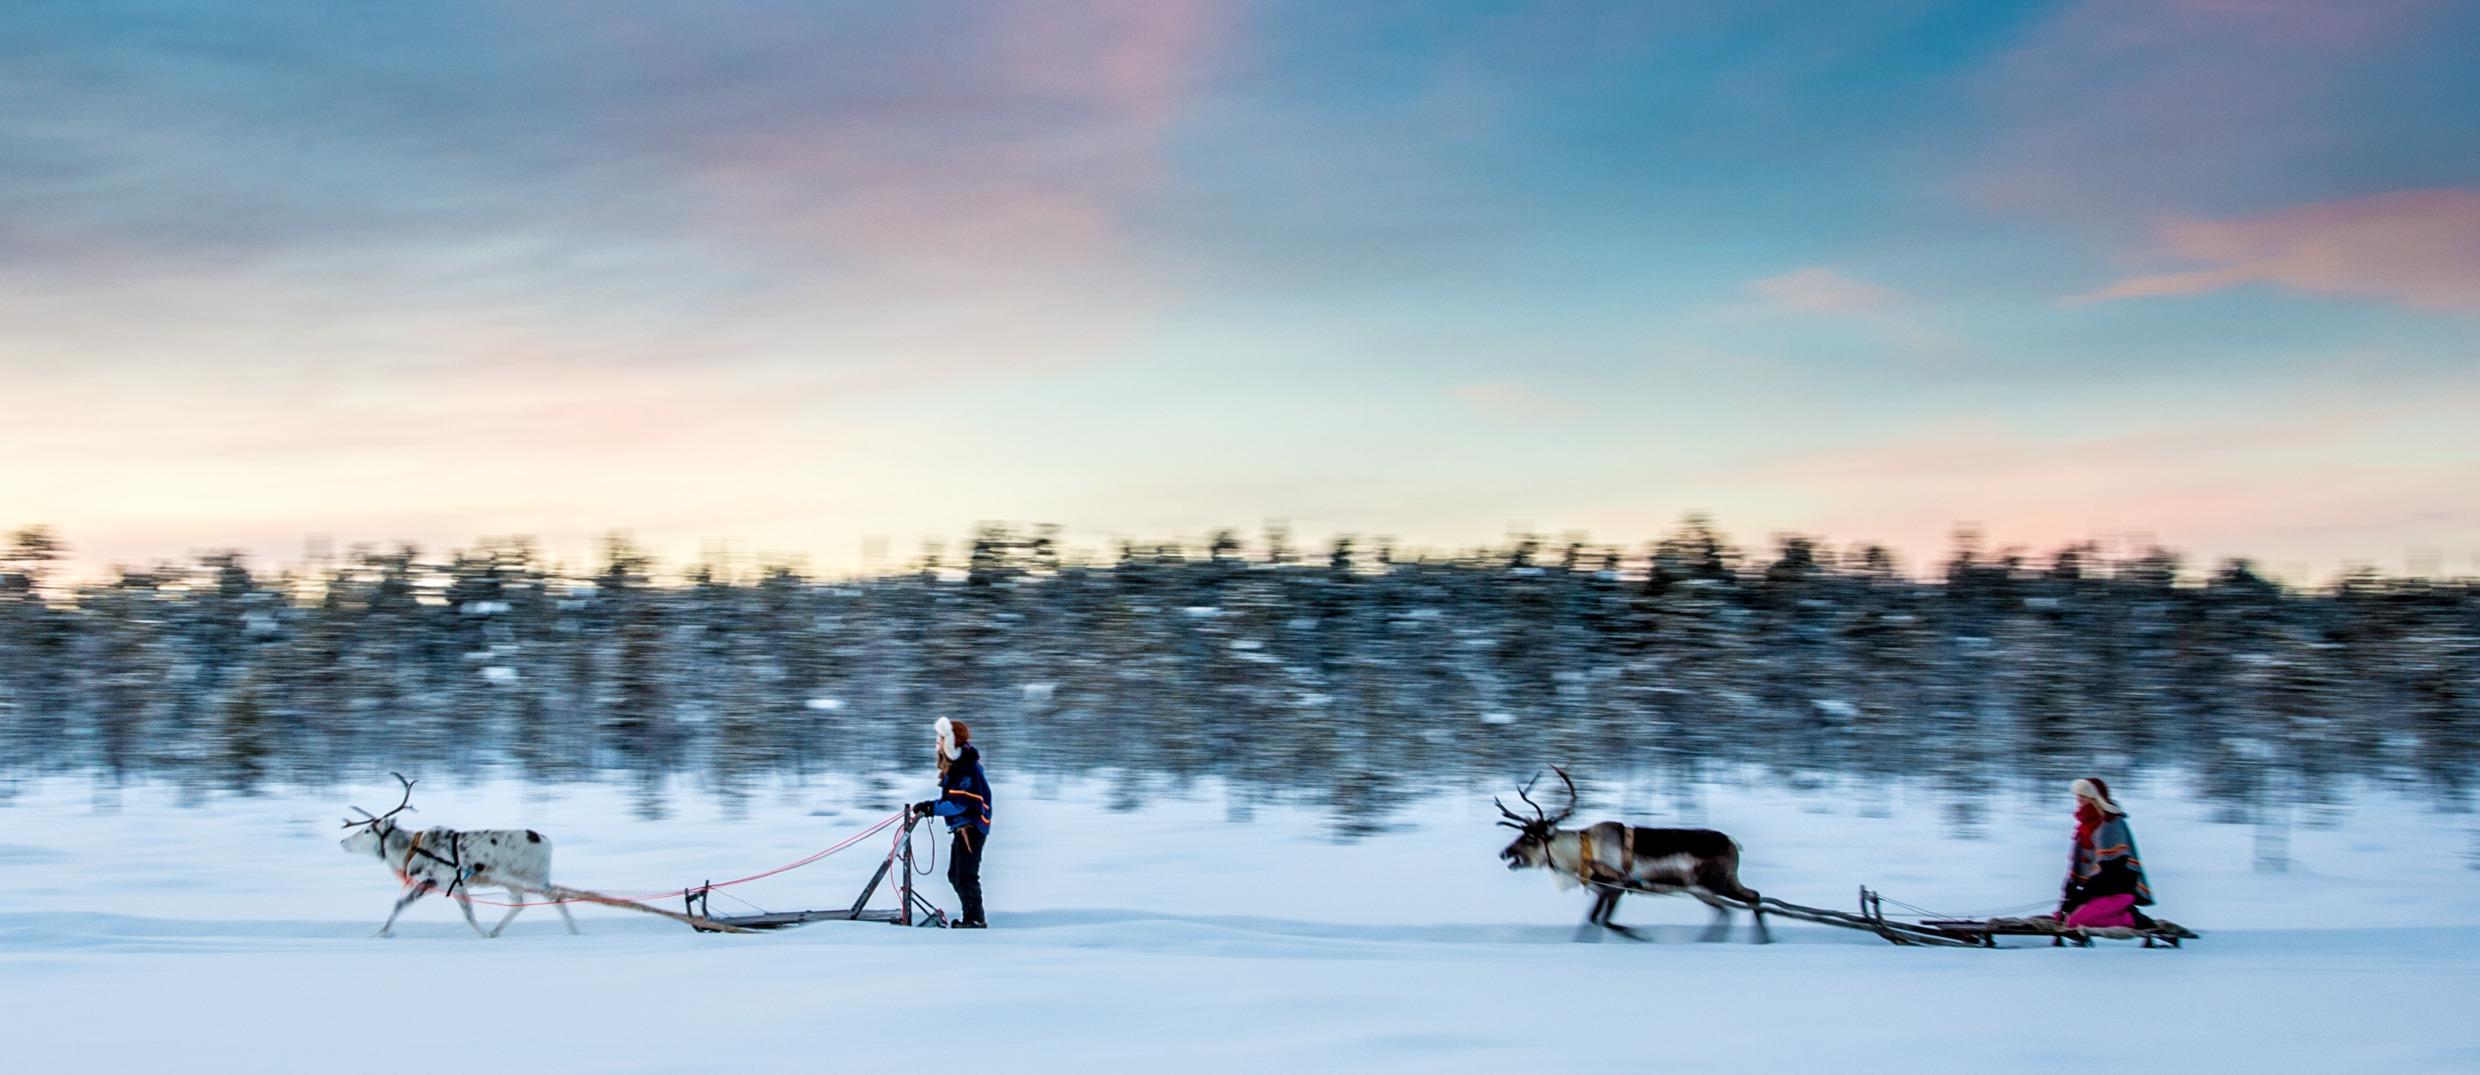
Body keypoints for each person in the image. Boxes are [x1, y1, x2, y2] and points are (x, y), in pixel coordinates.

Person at [913, 717, 992, 928]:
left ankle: (975, 919)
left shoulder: (967, 770)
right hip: (961, 829)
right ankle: (972, 916)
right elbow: (953, 801)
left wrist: (931, 808)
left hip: (971, 829)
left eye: (940, 739)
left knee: (966, 874)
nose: (937, 744)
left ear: (951, 742)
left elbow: (960, 804)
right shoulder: (959, 767)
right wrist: (931, 807)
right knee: (955, 874)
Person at [2056, 777, 2155, 930]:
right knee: (2061, 918)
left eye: (2083, 795)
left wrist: (2082, 897)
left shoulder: (2110, 823)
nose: (2078, 799)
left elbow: (2110, 869)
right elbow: (2077, 869)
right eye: (2077, 796)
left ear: (2094, 797)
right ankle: (2111, 913)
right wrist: (2068, 899)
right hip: (2096, 893)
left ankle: (2133, 919)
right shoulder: (2084, 827)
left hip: (2117, 892)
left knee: (2074, 922)